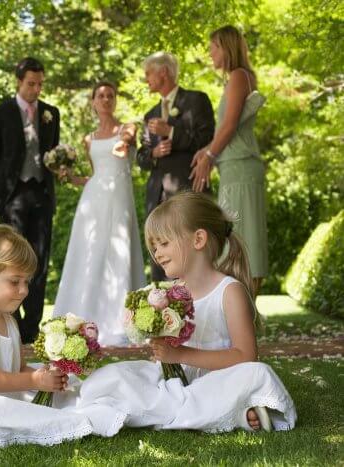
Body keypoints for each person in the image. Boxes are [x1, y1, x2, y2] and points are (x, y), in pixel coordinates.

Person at [77, 192, 296, 433]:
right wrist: (159, 344)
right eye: (154, 246)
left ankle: (234, 412)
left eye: (164, 243)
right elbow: (172, 353)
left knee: (258, 373)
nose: (157, 254)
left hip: (218, 380)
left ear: (198, 239)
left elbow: (246, 357)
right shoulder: (171, 293)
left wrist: (181, 354)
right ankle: (222, 412)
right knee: (113, 376)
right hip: (176, 380)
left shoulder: (229, 292)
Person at [0, 225, 127, 446]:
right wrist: (34, 380)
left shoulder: (7, 319)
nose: (24, 290)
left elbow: (16, 368)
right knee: (46, 417)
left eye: (26, 282)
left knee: (67, 398)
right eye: (14, 281)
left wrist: (44, 377)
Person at [52, 82, 146, 346]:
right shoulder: (88, 139)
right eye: (100, 96)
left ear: (115, 100)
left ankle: (120, 320)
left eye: (110, 96)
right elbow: (95, 176)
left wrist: (122, 145)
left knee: (119, 250)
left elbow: (127, 142)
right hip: (92, 201)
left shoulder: (127, 128)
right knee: (90, 253)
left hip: (119, 199)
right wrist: (71, 177)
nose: (105, 100)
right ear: (93, 101)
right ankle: (85, 316)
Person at [190, 25, 268, 297]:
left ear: (226, 47)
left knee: (245, 241)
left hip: (242, 169)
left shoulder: (238, 76)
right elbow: (226, 128)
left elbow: (231, 124)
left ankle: (246, 318)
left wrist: (210, 156)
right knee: (235, 240)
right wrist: (207, 150)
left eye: (213, 47)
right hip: (233, 169)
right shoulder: (234, 79)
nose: (210, 53)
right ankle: (240, 317)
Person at [0, 57, 60, 343]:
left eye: (40, 84)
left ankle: (32, 327)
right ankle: (12, 322)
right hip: (12, 197)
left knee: (39, 260)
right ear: (19, 82)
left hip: (42, 195)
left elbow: (52, 154)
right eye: (31, 83)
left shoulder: (51, 113)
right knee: (11, 261)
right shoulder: (0, 113)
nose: (36, 89)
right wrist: (11, 178)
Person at [137, 52, 215, 281]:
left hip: (186, 189)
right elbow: (141, 158)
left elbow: (207, 139)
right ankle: (161, 309)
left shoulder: (196, 100)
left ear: (163, 72)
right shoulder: (149, 114)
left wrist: (171, 132)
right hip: (156, 195)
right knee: (159, 256)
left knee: (190, 253)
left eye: (148, 73)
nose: (146, 79)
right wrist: (153, 152)